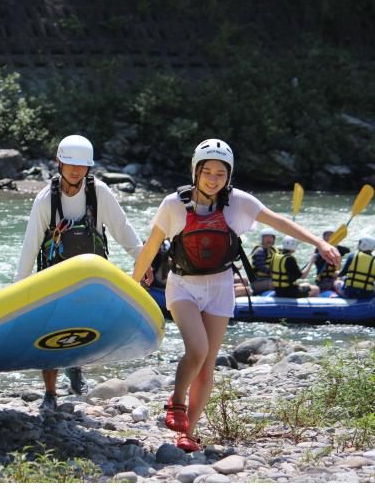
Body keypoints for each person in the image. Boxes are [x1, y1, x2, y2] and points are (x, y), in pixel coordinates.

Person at [132, 139, 340, 452]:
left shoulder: (238, 202)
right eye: (207, 172)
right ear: (195, 171)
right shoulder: (173, 204)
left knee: (207, 367)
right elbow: (151, 245)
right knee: (197, 349)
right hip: (183, 285)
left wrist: (319, 243)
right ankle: (176, 401)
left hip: (220, 288)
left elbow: (279, 221)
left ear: (229, 175)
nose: (213, 179)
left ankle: (188, 433)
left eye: (221, 173)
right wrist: (133, 284)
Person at [15, 134, 148, 410]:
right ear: (59, 163)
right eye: (70, 164)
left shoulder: (99, 193)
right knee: (50, 332)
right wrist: (19, 288)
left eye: (82, 166)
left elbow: (122, 229)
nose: (76, 171)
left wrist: (143, 261)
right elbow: (31, 244)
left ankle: (75, 368)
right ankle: (50, 394)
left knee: (83, 327)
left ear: (89, 167)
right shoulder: (45, 199)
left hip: (91, 279)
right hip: (54, 275)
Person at [334, 235, 375, 299]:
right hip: (366, 294)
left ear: (364, 245)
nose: (358, 244)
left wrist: (337, 274)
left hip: (349, 292)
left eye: (360, 242)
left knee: (337, 283)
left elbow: (343, 273)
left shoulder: (352, 256)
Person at [249, 228, 278, 295]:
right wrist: (275, 273)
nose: (269, 239)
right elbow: (261, 267)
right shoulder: (260, 251)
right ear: (261, 239)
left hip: (268, 279)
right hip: (258, 281)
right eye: (266, 237)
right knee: (276, 283)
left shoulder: (273, 250)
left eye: (271, 237)